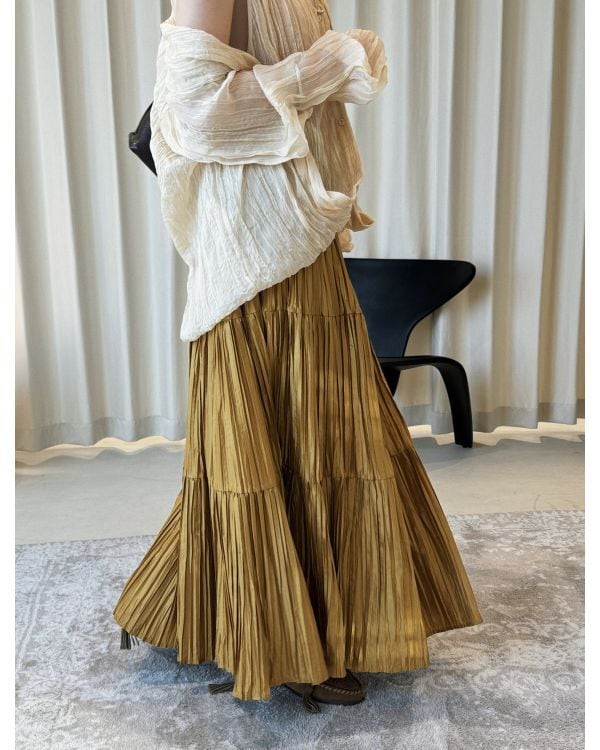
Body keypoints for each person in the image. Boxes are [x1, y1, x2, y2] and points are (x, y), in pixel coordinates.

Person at [113, 0, 483, 713]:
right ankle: (284, 644)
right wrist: (326, 64)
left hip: (301, 246)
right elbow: (192, 115)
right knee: (274, 451)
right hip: (253, 267)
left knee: (329, 440)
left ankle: (179, 601)